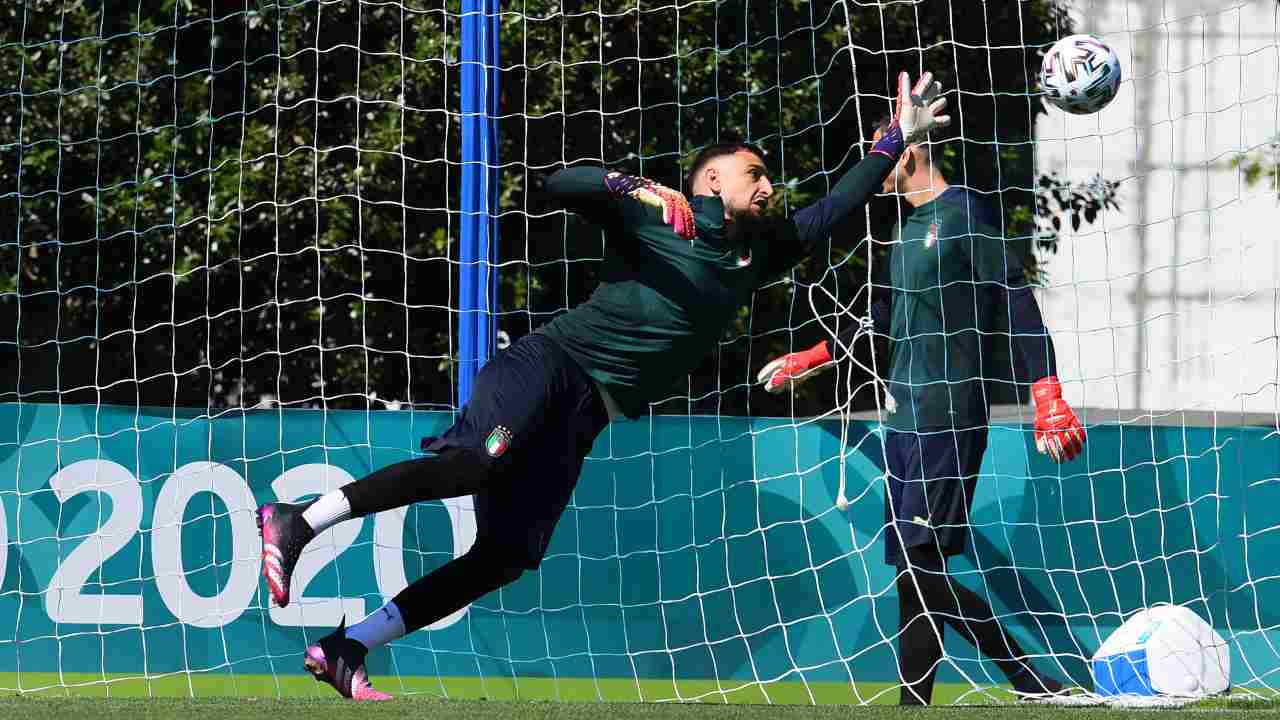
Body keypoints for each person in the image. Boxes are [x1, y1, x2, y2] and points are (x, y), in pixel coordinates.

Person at [254, 72, 950, 701]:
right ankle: (301, 520)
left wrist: (898, 137)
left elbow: (840, 204)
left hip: (589, 412)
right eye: (755, 173)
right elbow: (557, 184)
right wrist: (629, 184)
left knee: (505, 557)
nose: (769, 186)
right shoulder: (656, 215)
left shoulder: (760, 250)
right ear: (712, 181)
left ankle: (349, 647)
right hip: (550, 366)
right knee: (469, 465)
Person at [756, 116, 1087, 704]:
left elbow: (1015, 298)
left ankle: (1028, 679)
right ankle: (915, 704)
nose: (874, 167)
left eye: (883, 154)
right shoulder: (902, 231)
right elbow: (881, 321)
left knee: (918, 566)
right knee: (915, 574)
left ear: (907, 156)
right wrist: (812, 357)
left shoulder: (966, 212)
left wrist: (1046, 389)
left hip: (950, 413)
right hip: (902, 419)